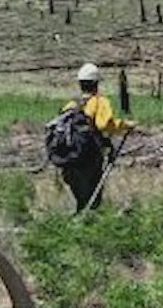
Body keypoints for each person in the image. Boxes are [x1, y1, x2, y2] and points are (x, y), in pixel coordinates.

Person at [58, 62, 136, 213]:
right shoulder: (100, 102)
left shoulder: (71, 105)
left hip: (69, 161)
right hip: (89, 160)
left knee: (82, 202)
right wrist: (125, 125)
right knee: (93, 202)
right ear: (96, 83)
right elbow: (104, 124)